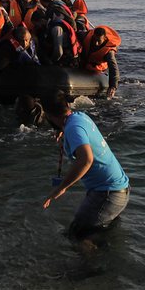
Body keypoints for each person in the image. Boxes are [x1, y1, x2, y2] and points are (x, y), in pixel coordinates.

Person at [41, 92, 130, 238]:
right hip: (120, 190)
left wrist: (61, 188)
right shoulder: (79, 117)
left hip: (107, 195)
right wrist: (60, 129)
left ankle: (88, 261)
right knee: (100, 237)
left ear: (49, 115)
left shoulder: (73, 129)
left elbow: (86, 159)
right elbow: (75, 128)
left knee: (76, 235)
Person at [80, 26, 121, 99]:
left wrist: (113, 86)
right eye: (94, 40)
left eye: (99, 41)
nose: (96, 43)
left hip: (97, 66)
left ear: (104, 39)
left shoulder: (109, 52)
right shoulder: (86, 36)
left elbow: (114, 68)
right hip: (84, 60)